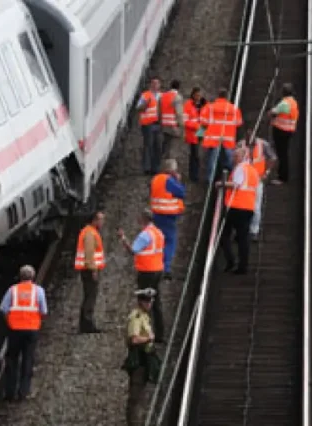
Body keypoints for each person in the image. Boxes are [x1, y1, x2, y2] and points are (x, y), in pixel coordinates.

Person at [0, 265, 47, 402]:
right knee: (28, 360)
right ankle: (23, 392)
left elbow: (3, 309)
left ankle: (10, 393)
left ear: (20, 276)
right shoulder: (38, 291)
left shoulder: (12, 290)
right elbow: (43, 311)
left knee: (12, 360)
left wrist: (9, 321)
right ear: (33, 277)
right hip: (31, 330)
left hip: (15, 330)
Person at [117, 209, 166, 343]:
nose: (138, 219)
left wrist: (123, 238)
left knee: (144, 302)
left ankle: (144, 332)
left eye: (139, 217)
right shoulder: (159, 233)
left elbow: (133, 251)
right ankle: (160, 334)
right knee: (156, 302)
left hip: (146, 272)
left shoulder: (145, 235)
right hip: (158, 270)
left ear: (144, 219)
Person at [217, 147, 259, 274]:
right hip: (248, 207)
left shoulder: (241, 168)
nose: (233, 159)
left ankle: (231, 261)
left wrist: (221, 184)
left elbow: (236, 184)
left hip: (235, 206)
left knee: (224, 235)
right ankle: (242, 266)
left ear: (243, 157)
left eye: (236, 156)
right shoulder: (253, 170)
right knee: (243, 238)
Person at [123, 288, 161, 426]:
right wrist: (148, 338)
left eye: (150, 301)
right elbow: (134, 339)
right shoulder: (137, 317)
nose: (149, 303)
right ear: (140, 302)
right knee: (136, 395)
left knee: (141, 395)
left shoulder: (144, 316)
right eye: (147, 301)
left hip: (145, 359)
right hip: (139, 359)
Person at [149, 159, 186, 279]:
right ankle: (166, 268)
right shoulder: (169, 180)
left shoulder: (155, 179)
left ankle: (155, 266)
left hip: (156, 214)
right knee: (170, 242)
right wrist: (178, 180)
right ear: (172, 170)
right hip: (168, 216)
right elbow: (182, 192)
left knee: (158, 241)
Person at [199, 88, 243, 182]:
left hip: (213, 139)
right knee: (230, 159)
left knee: (212, 160)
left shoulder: (209, 107)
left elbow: (203, 122)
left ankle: (210, 180)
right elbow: (239, 123)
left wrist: (199, 135)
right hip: (228, 139)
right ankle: (231, 178)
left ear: (218, 95)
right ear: (227, 96)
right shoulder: (234, 109)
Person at [241, 128, 277, 241]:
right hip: (243, 181)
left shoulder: (263, 144)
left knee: (256, 207)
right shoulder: (241, 145)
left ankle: (254, 231)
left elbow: (273, 158)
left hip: (257, 180)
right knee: (243, 206)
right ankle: (243, 229)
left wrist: (266, 173)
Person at [73, 211, 106, 333]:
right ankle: (87, 325)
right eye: (101, 220)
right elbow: (89, 254)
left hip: (87, 269)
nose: (103, 222)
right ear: (94, 220)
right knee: (90, 296)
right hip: (89, 270)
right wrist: (93, 270)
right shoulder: (90, 234)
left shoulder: (89, 232)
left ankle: (86, 324)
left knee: (89, 295)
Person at [268, 82, 299, 184]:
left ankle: (282, 177)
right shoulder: (293, 102)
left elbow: (272, 112)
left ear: (283, 92)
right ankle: (282, 175)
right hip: (288, 131)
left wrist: (271, 112)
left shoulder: (284, 103)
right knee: (284, 153)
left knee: (282, 154)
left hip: (281, 131)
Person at [136, 76, 163, 175]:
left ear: (159, 85)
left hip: (158, 123)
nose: (155, 85)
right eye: (153, 83)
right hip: (147, 124)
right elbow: (138, 108)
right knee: (148, 145)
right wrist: (145, 104)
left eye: (157, 83)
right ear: (150, 85)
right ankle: (147, 167)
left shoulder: (162, 96)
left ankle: (155, 167)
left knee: (158, 146)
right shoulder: (145, 95)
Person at [183, 87, 207, 182]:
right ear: (193, 95)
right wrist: (197, 126)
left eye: (200, 95)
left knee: (197, 154)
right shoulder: (188, 105)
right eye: (197, 95)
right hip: (193, 132)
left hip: (201, 131)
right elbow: (185, 121)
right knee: (195, 154)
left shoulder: (204, 104)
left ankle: (195, 174)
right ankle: (193, 175)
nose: (198, 97)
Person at [159, 79, 184, 158]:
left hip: (164, 124)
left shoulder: (163, 96)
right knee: (172, 147)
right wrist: (181, 125)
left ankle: (162, 160)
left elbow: (159, 110)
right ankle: (169, 162)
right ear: (179, 87)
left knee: (165, 144)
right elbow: (179, 113)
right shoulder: (177, 97)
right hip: (173, 125)